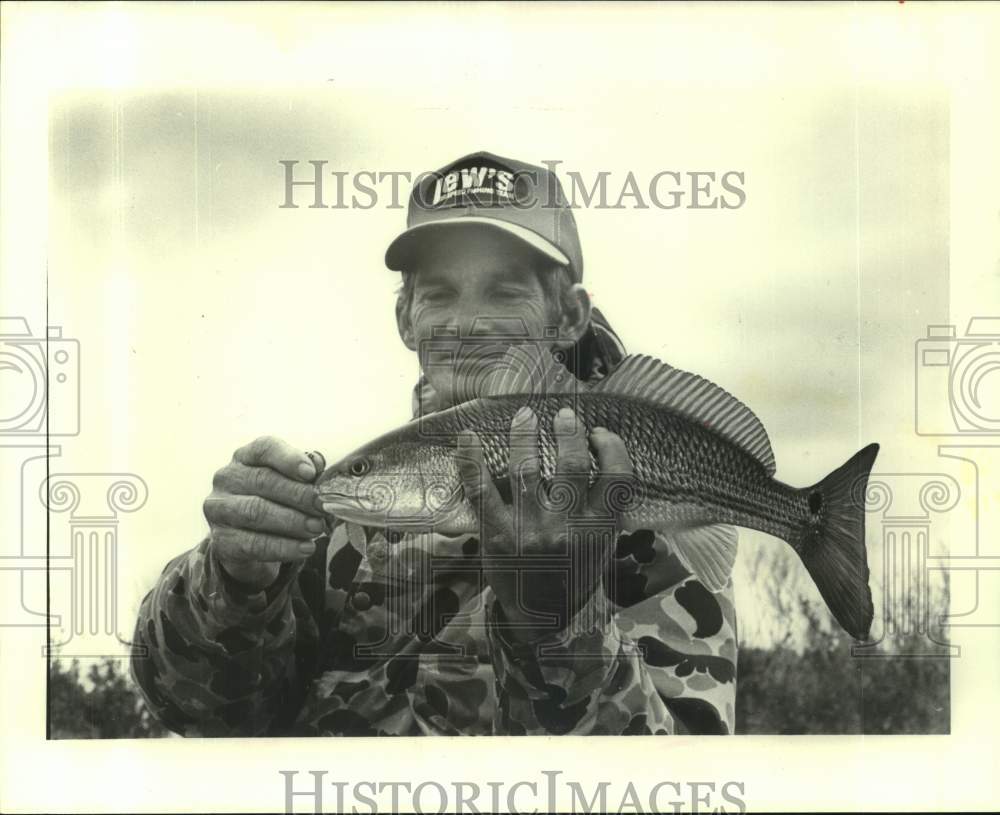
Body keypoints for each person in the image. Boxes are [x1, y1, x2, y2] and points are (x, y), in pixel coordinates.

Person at [131, 151, 739, 736]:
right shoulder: (336, 524)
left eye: (505, 292)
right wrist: (232, 585)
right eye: (441, 294)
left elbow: (678, 776)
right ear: (405, 319)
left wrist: (554, 626)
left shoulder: (657, 531)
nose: (468, 322)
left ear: (570, 317)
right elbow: (205, 717)